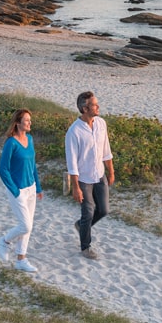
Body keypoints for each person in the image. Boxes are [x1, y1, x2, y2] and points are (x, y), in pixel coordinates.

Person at [64, 91, 114, 260]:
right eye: (94, 104)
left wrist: (111, 171)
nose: (98, 106)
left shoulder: (101, 124)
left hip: (100, 175)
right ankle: (86, 247)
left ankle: (81, 226)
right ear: (85, 109)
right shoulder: (74, 132)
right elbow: (72, 163)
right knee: (88, 212)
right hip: (84, 179)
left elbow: (106, 149)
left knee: (104, 210)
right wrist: (76, 188)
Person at [0, 109, 43, 273]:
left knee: (28, 227)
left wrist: (38, 186)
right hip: (18, 190)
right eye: (26, 120)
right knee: (26, 225)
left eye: (30, 120)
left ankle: (21, 259)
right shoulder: (11, 143)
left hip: (31, 188)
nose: (30, 123)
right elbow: (3, 169)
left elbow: (32, 165)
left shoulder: (29, 139)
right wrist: (15, 190)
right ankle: (4, 241)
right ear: (18, 123)